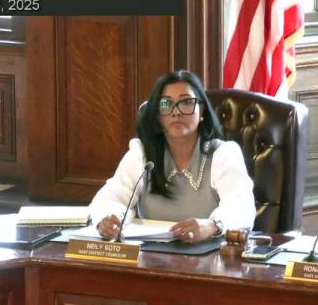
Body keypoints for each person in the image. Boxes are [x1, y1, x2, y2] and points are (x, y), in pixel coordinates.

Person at [90, 70, 255, 243]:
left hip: (211, 256)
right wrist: (109, 220)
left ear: (202, 110)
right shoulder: (142, 154)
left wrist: (213, 225)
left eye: (186, 102)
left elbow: (241, 206)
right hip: (151, 256)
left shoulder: (224, 153)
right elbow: (109, 199)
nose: (176, 112)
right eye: (166, 104)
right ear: (157, 114)